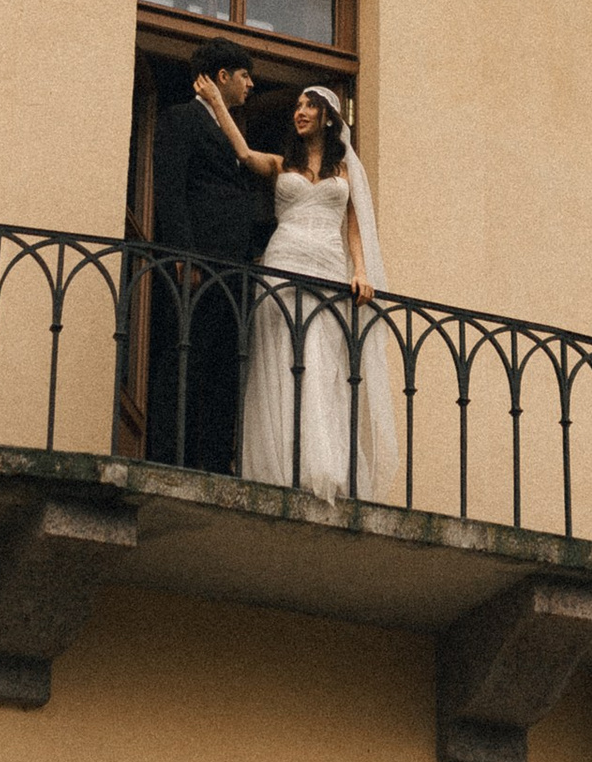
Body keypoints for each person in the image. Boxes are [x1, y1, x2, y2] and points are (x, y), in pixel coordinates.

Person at [194, 79, 400, 501]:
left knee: (322, 362)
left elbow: (354, 229)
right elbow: (245, 155)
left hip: (327, 264)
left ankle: (322, 465)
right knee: (283, 356)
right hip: (284, 262)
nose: (299, 112)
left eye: (309, 106)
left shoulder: (343, 172)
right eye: (297, 106)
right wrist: (217, 103)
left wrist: (361, 272)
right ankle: (279, 465)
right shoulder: (283, 164)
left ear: (327, 117)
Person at [144, 44, 270, 471]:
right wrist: (184, 254)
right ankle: (167, 457)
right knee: (183, 358)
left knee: (221, 366)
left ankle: (216, 463)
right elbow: (171, 190)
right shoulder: (181, 118)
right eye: (245, 75)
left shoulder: (232, 127)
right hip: (200, 265)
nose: (251, 84)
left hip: (234, 270)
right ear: (222, 76)